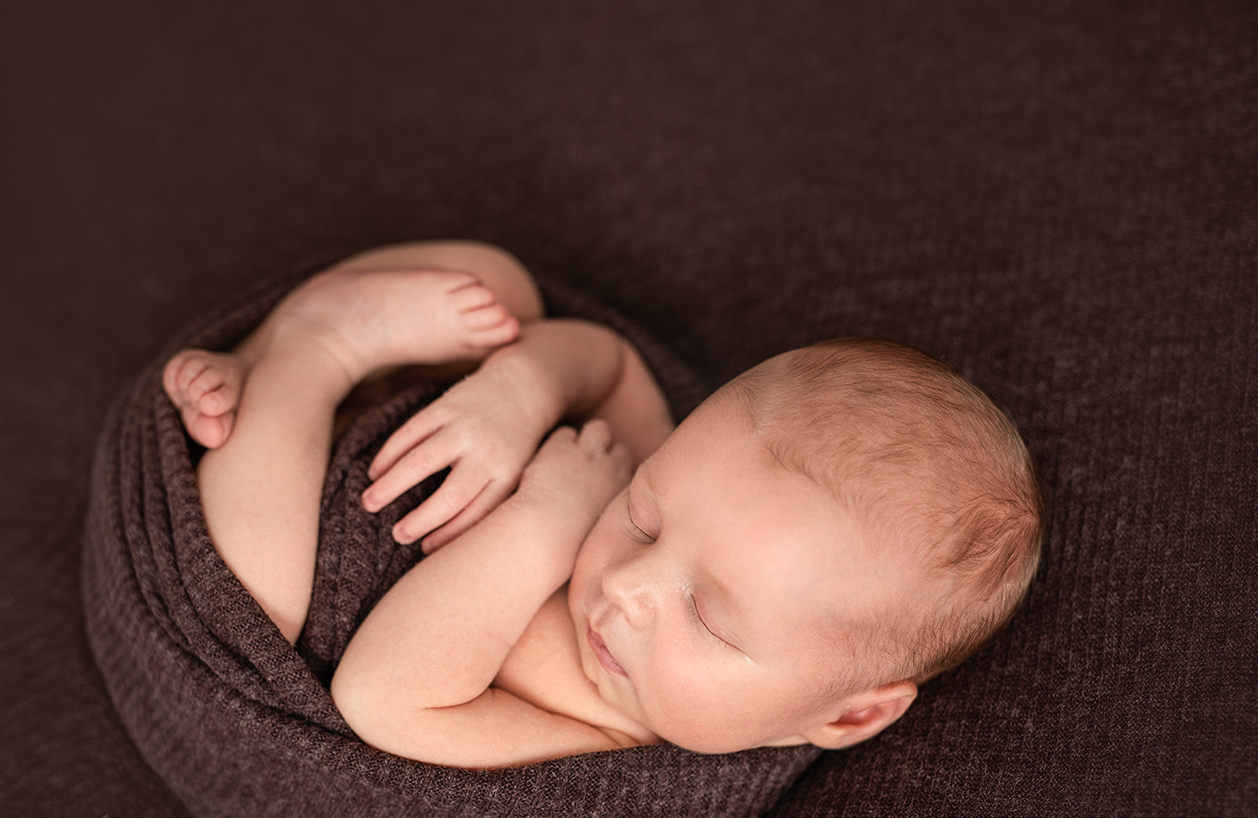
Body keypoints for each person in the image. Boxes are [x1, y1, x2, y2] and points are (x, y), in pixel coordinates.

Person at [162, 240, 1045, 768]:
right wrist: (521, 388)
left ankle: (308, 354)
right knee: (497, 290)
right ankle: (273, 349)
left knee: (256, 597)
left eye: (710, 617)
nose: (630, 583)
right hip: (410, 422)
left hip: (304, 536)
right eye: (643, 515)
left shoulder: (601, 742)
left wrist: (544, 527)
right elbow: (611, 363)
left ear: (848, 714)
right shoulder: (692, 473)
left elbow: (383, 697)